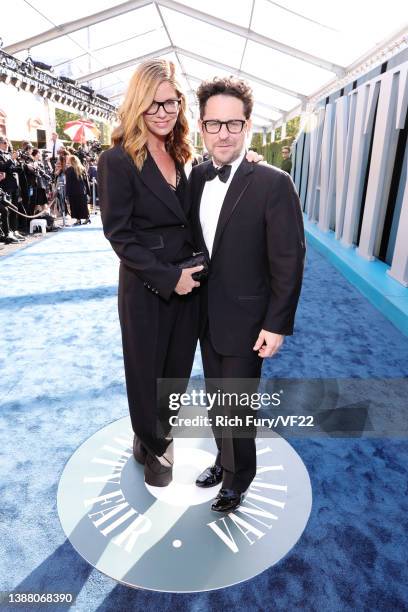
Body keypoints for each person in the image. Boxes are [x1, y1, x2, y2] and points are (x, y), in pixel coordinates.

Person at [190, 76, 306, 512]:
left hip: (248, 318)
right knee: (215, 396)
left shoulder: (274, 183)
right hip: (202, 313)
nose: (223, 133)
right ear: (202, 127)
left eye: (233, 124)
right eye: (214, 124)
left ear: (248, 125)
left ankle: (239, 478)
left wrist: (277, 324)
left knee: (236, 404)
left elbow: (290, 258)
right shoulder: (198, 176)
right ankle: (224, 459)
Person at [98, 59, 204, 487]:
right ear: (137, 106)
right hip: (148, 286)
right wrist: (166, 277)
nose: (163, 112)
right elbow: (120, 235)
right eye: (154, 104)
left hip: (189, 283)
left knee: (177, 369)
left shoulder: (182, 155)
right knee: (146, 369)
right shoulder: (117, 160)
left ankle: (153, 435)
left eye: (172, 103)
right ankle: (154, 442)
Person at [65, 155, 90, 225]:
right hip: (81, 190)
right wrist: (88, 192)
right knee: (83, 205)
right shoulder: (82, 168)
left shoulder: (68, 170)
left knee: (74, 205)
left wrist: (67, 194)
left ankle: (78, 220)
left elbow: (68, 183)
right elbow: (86, 182)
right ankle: (87, 218)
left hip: (72, 191)